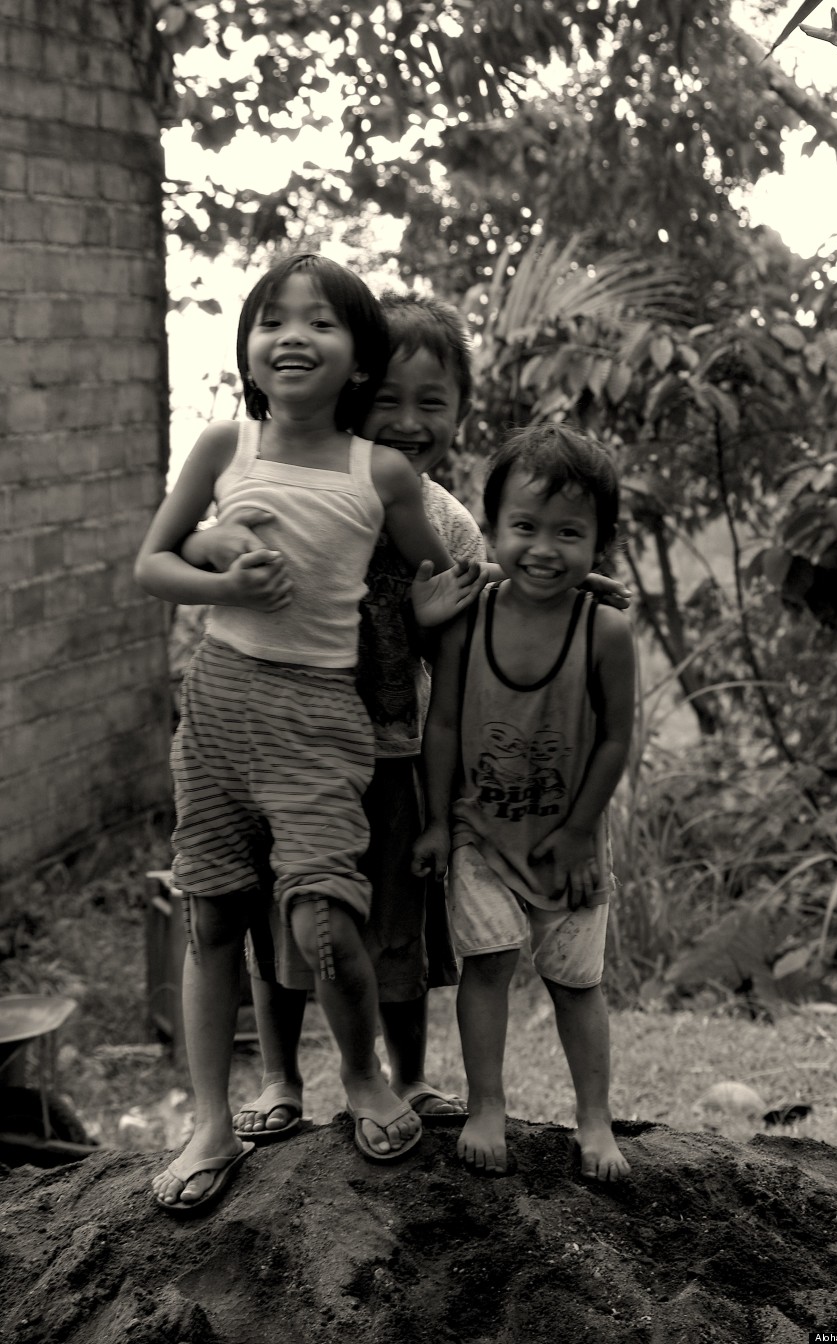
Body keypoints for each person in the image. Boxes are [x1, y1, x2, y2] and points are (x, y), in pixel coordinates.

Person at [183, 293, 631, 1147]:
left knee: (392, 932)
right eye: (387, 398)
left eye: (433, 402)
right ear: (351, 388)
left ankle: (410, 1077)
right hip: (286, 740)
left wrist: (567, 584)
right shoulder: (308, 483)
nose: (408, 420)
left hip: (390, 749)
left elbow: (481, 603)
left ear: (463, 410)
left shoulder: (451, 521)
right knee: (287, 924)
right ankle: (281, 1077)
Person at [135, 254, 480, 1213]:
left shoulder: (386, 472)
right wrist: (217, 574)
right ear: (248, 349)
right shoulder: (221, 445)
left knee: (323, 918)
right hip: (217, 705)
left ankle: (364, 1076)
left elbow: (438, 581)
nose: (294, 335)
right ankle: (212, 1121)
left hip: (325, 718)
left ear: (358, 360)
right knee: (210, 914)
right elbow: (153, 564)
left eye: (322, 322)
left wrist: (489, 597)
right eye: (272, 320)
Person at [412, 423, 635, 1182]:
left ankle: (596, 1118)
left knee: (578, 984)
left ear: (599, 541)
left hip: (567, 846)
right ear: (493, 529)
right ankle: (486, 1104)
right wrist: (438, 822)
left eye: (569, 532)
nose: (545, 548)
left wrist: (579, 832)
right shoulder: (467, 619)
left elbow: (614, 740)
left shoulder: (604, 630)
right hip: (481, 835)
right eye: (525, 527)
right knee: (488, 963)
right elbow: (440, 722)